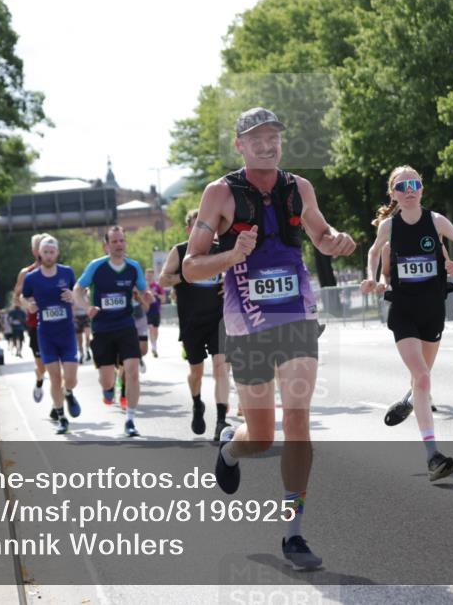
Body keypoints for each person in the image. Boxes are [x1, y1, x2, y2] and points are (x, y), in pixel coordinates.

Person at [183, 107, 356, 568]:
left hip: (297, 313)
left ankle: (293, 533)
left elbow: (320, 234)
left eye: (273, 136)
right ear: (239, 145)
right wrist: (232, 255)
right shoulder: (219, 193)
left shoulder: (300, 188)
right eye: (256, 138)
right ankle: (230, 449)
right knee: (260, 436)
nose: (267, 143)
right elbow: (190, 266)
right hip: (247, 324)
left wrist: (337, 240)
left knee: (297, 419)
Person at [361, 166, 453, 482]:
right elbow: (374, 253)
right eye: (402, 186)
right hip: (403, 311)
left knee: (422, 380)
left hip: (433, 311)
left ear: (422, 189)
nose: (409, 189)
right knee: (423, 376)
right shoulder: (389, 226)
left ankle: (411, 400)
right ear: (394, 194)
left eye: (415, 184)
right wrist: (371, 280)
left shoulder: (436, 221)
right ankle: (433, 455)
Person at [159, 208, 231, 440]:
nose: (203, 229)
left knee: (221, 368)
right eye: (196, 225)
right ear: (189, 229)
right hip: (191, 322)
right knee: (196, 372)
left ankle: (221, 420)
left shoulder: (221, 250)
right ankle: (197, 404)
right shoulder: (180, 252)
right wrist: (186, 276)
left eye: (206, 224)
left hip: (218, 320)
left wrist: (229, 281)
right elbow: (163, 279)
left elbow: (239, 273)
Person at [76, 226, 147, 437]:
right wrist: (86, 307)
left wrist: (148, 296)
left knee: (132, 371)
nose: (119, 245)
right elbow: (78, 290)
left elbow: (143, 289)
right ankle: (108, 389)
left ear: (126, 243)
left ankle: (131, 419)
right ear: (106, 245)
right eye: (114, 241)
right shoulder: (96, 266)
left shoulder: (134, 267)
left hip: (126, 325)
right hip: (103, 328)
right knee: (106, 380)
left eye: (121, 241)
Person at [21, 236, 82, 435]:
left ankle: (68, 392)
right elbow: (23, 296)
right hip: (46, 334)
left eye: (52, 251)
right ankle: (61, 417)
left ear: (57, 253)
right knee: (55, 377)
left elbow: (80, 293)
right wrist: (28, 305)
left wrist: (73, 297)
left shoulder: (67, 272)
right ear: (39, 253)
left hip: (66, 333)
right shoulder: (32, 278)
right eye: (45, 252)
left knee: (70, 378)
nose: (48, 255)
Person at [14, 233, 51, 402]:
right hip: (35, 324)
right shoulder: (26, 273)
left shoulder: (59, 271)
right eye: (41, 247)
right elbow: (17, 297)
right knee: (42, 367)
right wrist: (28, 304)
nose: (45, 251)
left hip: (57, 323)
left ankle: (57, 406)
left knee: (56, 367)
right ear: (34, 250)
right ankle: (39, 380)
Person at [145, 268, 164, 357]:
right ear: (145, 275)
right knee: (151, 327)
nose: (149, 277)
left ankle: (154, 344)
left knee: (155, 330)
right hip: (146, 310)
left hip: (156, 310)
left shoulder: (157, 286)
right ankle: (154, 347)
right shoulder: (143, 285)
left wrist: (156, 294)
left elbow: (163, 298)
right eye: (148, 275)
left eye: (151, 275)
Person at [71, 285, 92, 363]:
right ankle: (81, 353)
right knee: (79, 339)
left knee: (87, 335)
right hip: (77, 318)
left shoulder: (87, 297)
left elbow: (90, 306)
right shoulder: (74, 297)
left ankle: (87, 350)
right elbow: (72, 309)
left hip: (86, 317)